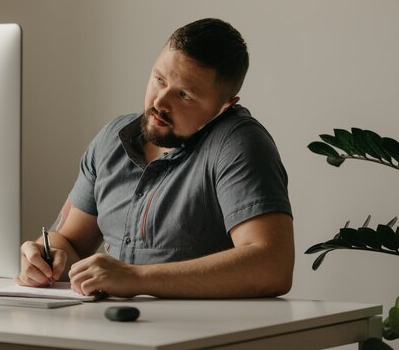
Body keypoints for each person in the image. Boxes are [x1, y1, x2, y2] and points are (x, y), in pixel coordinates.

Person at [16, 18, 294, 298]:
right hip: (108, 329)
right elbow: (68, 241)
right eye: (159, 79)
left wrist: (136, 278)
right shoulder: (112, 139)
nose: (160, 102)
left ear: (224, 107)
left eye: (184, 95)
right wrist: (42, 255)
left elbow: (272, 266)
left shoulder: (239, 143)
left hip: (197, 335)